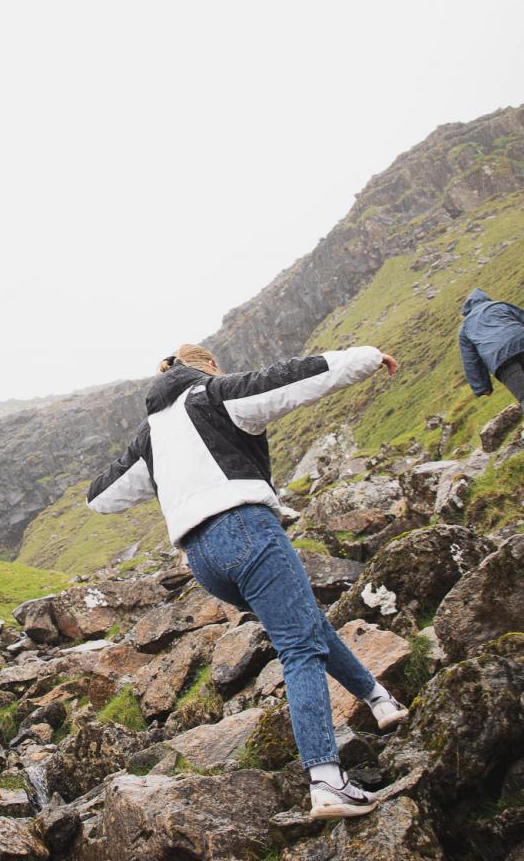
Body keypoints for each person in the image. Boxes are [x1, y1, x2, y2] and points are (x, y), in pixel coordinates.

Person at [87, 342, 408, 820]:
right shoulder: (214, 394)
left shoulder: (150, 434)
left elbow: (101, 497)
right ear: (209, 365)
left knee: (301, 624)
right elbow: (294, 378)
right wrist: (364, 357)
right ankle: (326, 780)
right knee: (299, 647)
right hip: (246, 530)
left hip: (201, 560)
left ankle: (377, 699)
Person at [458, 288, 524, 407]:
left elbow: (471, 361)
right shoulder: (500, 306)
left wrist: (482, 387)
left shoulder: (465, 328)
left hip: (501, 359)